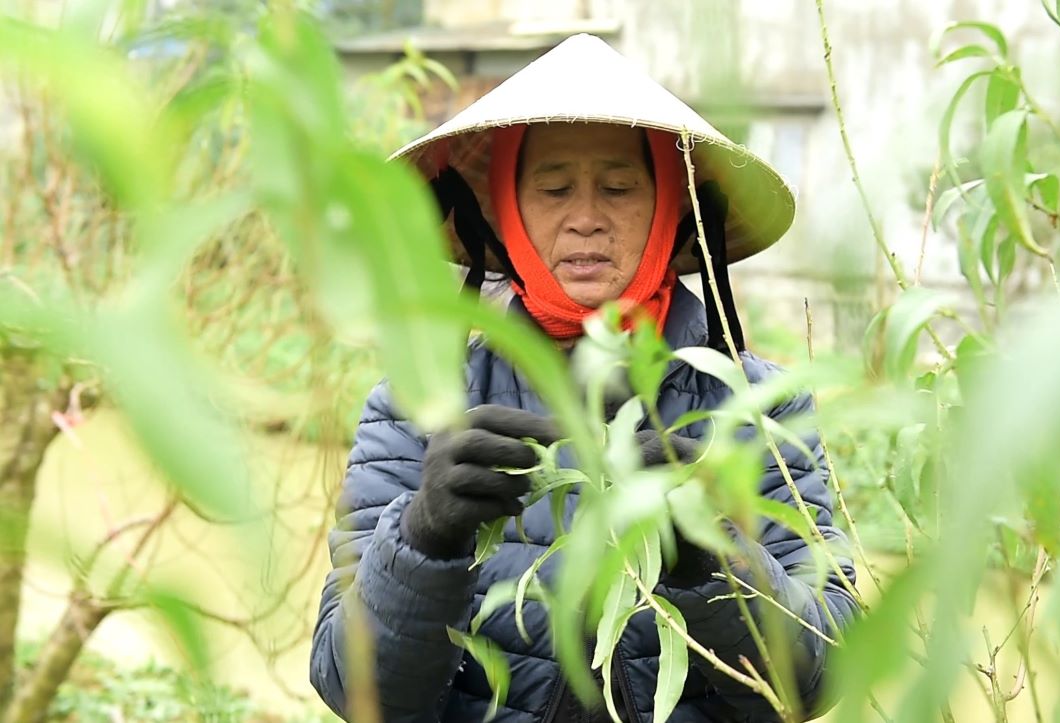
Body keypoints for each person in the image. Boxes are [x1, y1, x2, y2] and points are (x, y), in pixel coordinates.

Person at [310, 34, 859, 723]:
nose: (587, 219)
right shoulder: (415, 407)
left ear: (670, 210)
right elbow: (352, 689)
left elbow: (825, 670)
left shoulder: (762, 410)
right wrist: (424, 538)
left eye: (621, 187)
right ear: (507, 213)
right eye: (553, 187)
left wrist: (715, 560)